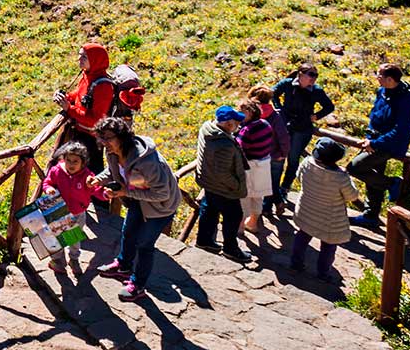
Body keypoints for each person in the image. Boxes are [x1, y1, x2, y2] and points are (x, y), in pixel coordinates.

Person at [92, 117, 180, 303]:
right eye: (101, 137)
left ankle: (137, 285)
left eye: (107, 137)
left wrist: (125, 191)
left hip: (159, 208)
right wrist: (99, 179)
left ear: (122, 136)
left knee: (145, 245)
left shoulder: (146, 161)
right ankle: (123, 266)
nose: (103, 142)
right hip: (138, 200)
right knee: (128, 232)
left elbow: (161, 193)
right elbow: (113, 170)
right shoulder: (114, 152)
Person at [349, 64, 410, 223]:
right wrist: (369, 137)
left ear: (389, 79)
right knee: (373, 177)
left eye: (379, 75)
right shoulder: (382, 91)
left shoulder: (407, 100)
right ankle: (371, 215)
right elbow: (376, 115)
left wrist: (375, 143)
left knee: (355, 167)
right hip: (374, 140)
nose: (376, 77)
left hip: (389, 144)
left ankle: (393, 183)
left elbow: (401, 130)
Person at [291, 139, 362, 280]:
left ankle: (295, 263)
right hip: (329, 218)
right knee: (328, 246)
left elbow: (299, 177)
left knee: (302, 236)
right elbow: (352, 196)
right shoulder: (340, 177)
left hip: (307, 209)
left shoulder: (306, 163)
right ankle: (323, 273)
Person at [194, 106, 252, 263]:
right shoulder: (224, 146)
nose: (238, 125)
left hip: (209, 182)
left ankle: (204, 241)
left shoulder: (207, 129)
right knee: (234, 216)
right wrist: (237, 185)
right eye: (236, 123)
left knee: (209, 210)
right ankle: (230, 249)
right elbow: (223, 173)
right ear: (228, 124)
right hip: (224, 188)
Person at [272, 64, 334, 204]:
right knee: (279, 157)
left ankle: (284, 188)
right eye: (311, 75)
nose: (313, 79)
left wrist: (317, 116)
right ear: (300, 74)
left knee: (293, 159)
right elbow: (273, 94)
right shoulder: (288, 84)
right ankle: (274, 191)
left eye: (315, 76)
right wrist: (279, 110)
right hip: (285, 126)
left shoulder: (316, 91)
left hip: (302, 128)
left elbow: (329, 106)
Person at [55, 43, 117, 173]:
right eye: (79, 55)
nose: (79, 59)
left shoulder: (103, 87)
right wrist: (65, 97)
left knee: (90, 174)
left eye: (84, 57)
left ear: (95, 60)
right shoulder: (88, 75)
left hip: (91, 139)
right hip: (80, 133)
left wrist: (69, 109)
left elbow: (95, 120)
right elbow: (79, 94)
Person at [41, 141, 98, 275]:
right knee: (56, 237)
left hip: (78, 213)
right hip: (59, 211)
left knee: (73, 238)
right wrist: (48, 188)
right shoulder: (57, 170)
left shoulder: (87, 176)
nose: (71, 164)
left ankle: (74, 259)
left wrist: (105, 194)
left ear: (83, 162)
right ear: (63, 159)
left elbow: (96, 189)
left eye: (75, 161)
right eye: (68, 160)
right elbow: (47, 182)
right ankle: (58, 261)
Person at [237, 89, 280, 242]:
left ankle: (240, 226)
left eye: (242, 113)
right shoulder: (265, 124)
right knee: (258, 195)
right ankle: (253, 223)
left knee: (244, 196)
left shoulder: (246, 131)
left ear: (249, 113)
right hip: (264, 163)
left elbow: (239, 149)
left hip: (250, 165)